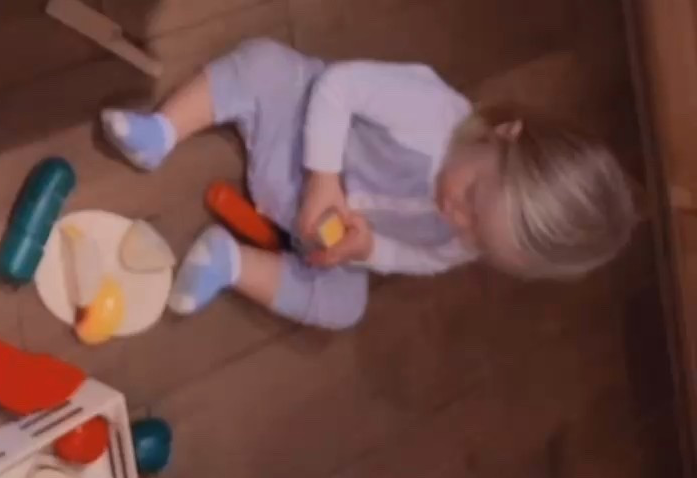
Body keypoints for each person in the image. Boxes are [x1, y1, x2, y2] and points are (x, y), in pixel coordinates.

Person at [100, 39, 638, 330]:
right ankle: (163, 130)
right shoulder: (432, 114)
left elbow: (421, 258)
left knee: (345, 306)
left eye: (480, 240)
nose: (458, 220)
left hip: (316, 227)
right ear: (503, 134)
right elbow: (340, 86)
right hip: (297, 130)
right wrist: (323, 176)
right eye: (473, 199)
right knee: (265, 65)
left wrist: (369, 249)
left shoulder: (468, 234)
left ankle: (230, 261)